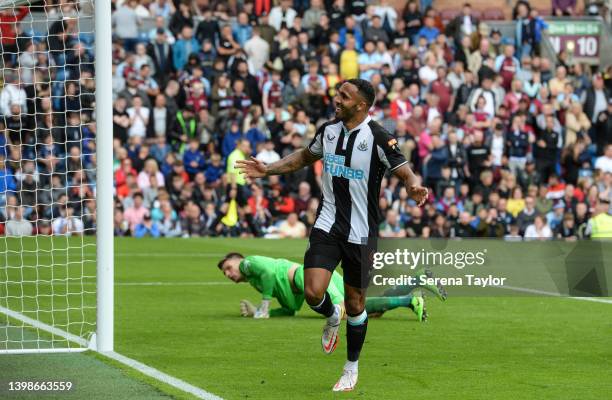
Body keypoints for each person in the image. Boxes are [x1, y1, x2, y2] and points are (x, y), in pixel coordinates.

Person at [237, 79, 428, 391]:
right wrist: (268, 169)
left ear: (362, 105)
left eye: (344, 96)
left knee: (356, 303)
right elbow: (304, 156)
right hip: (327, 224)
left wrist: (414, 187)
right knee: (313, 292)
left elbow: (405, 172)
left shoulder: (379, 137)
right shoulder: (328, 130)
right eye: (338, 94)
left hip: (361, 232)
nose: (337, 99)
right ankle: (330, 315)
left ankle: (351, 367)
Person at [218, 253, 445, 320]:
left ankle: (410, 300)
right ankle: (417, 280)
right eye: (226, 272)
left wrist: (264, 305)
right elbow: (290, 309)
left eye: (229, 267)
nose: (229, 273)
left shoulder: (249, 264)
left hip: (306, 277)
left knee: (350, 310)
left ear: (238, 260)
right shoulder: (256, 281)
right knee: (367, 308)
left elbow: (268, 273)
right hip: (311, 277)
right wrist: (258, 310)